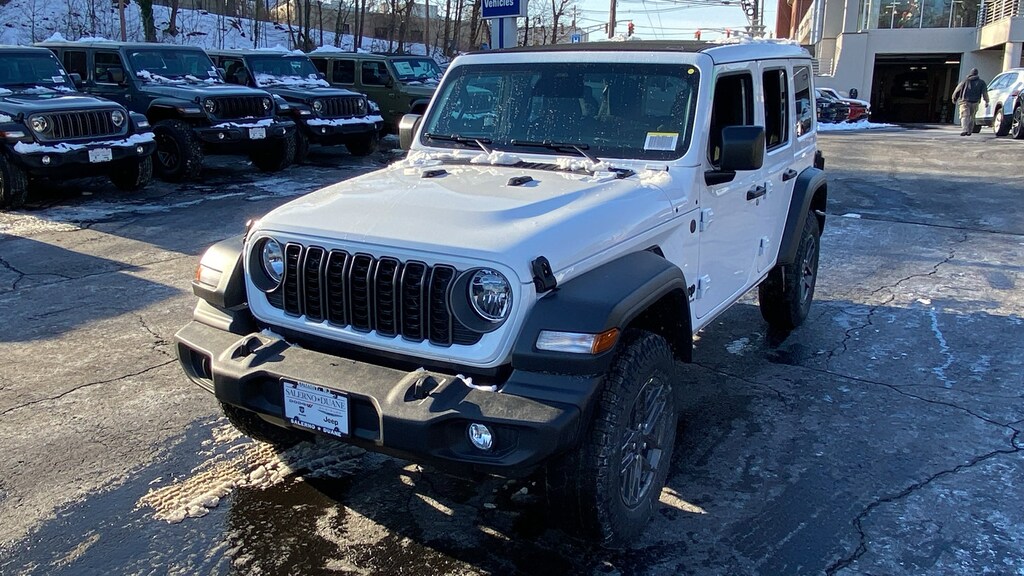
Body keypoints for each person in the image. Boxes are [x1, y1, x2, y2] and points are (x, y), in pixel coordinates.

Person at [951, 68, 989, 136]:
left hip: (964, 101)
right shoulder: (981, 82)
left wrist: (954, 99)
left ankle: (964, 130)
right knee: (972, 116)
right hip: (975, 102)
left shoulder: (965, 81)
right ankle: (969, 131)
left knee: (964, 116)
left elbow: (957, 90)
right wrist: (986, 101)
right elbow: (985, 93)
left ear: (970, 73)